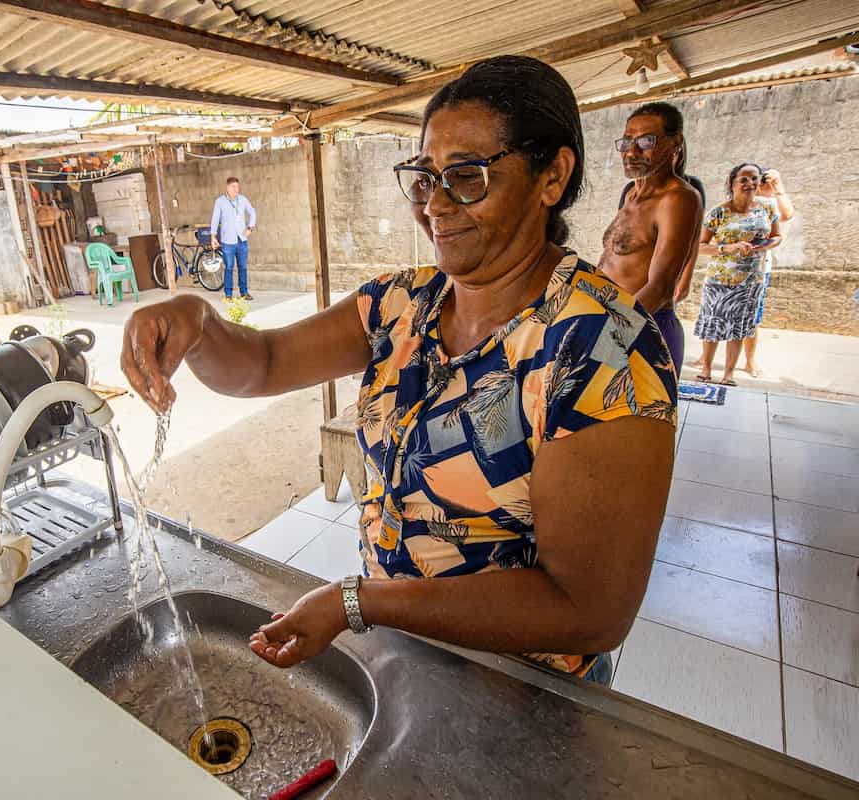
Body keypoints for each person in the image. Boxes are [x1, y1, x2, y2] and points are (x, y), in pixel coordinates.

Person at [121, 56, 677, 686]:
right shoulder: (402, 303)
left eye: (466, 176)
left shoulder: (603, 347)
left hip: (523, 690)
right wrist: (197, 321)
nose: (434, 204)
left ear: (552, 176)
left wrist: (359, 602)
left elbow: (588, 611)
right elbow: (263, 363)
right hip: (408, 654)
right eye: (424, 177)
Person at [599, 102, 703, 379]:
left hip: (642, 329)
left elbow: (660, 288)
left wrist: (603, 340)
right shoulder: (631, 195)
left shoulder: (678, 198)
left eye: (646, 141)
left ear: (675, 142)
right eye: (626, 142)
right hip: (613, 324)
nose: (632, 152)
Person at [694, 164, 783, 385]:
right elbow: (699, 246)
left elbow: (777, 236)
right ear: (732, 183)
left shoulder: (768, 208)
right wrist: (728, 247)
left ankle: (728, 374)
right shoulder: (719, 212)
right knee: (713, 324)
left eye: (754, 178)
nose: (749, 183)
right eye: (743, 179)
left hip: (750, 281)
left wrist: (763, 246)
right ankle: (706, 370)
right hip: (719, 280)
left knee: (739, 327)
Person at [745, 167, 796, 376]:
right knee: (720, 313)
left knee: (752, 318)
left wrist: (778, 185)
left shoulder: (773, 204)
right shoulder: (743, 200)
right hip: (731, 267)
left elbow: (788, 214)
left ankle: (749, 361)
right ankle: (706, 359)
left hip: (758, 270)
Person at [209, 177, 257, 301]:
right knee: (229, 267)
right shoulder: (220, 202)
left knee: (243, 267)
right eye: (233, 187)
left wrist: (250, 228)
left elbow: (252, 212)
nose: (236, 189)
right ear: (227, 187)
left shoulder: (243, 199)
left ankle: (244, 292)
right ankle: (228, 294)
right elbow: (215, 219)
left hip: (242, 240)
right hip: (228, 241)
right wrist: (213, 236)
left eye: (237, 187)